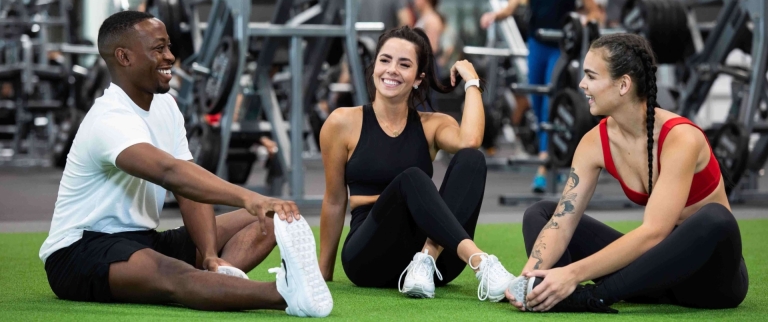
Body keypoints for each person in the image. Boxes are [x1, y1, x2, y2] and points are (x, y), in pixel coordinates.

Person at [39, 11, 332, 317]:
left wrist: (208, 254)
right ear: (124, 57)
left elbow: (189, 189)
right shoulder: (109, 119)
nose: (170, 57)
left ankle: (219, 274)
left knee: (273, 218)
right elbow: (171, 173)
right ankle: (284, 294)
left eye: (168, 47)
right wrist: (250, 197)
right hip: (81, 251)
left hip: (143, 239)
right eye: (158, 49)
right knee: (175, 276)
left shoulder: (165, 104)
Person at [503, 33, 748, 313]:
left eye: (591, 76)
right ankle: (550, 291)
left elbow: (654, 233)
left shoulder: (680, 138)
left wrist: (573, 273)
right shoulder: (594, 142)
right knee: (541, 213)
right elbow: (562, 224)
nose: (582, 84)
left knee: (716, 218)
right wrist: (526, 279)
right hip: (650, 279)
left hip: (710, 283)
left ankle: (593, 297)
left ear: (623, 85)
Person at [318, 26, 516, 301]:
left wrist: (472, 82)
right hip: (369, 258)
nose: (391, 70)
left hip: (433, 267)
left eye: (404, 64)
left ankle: (426, 257)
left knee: (472, 159)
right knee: (411, 178)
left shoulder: (431, 124)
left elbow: (470, 141)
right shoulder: (342, 122)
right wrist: (321, 273)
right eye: (385, 60)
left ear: (418, 78)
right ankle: (481, 262)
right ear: (374, 66)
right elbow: (334, 200)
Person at [481, 0, 600, 192]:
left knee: (549, 103)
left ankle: (543, 168)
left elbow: (594, 12)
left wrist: (585, 22)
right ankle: (555, 156)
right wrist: (494, 16)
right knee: (536, 102)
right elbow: (512, 6)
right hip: (537, 44)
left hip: (560, 45)